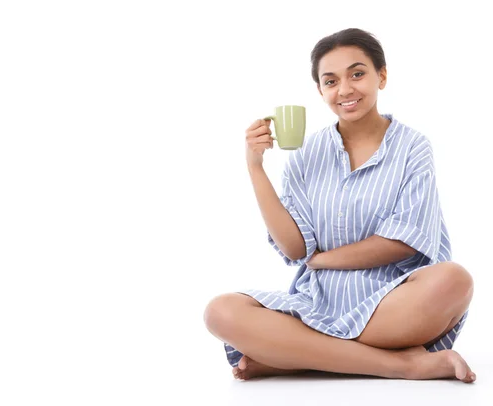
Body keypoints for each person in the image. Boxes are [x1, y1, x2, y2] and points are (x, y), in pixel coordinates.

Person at [203, 28, 476, 383]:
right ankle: (400, 365)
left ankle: (296, 354)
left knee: (454, 280)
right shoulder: (306, 155)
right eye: (330, 81)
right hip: (317, 304)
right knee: (220, 312)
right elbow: (294, 247)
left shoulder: (413, 147)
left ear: (382, 75)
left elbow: (402, 242)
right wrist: (255, 167)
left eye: (357, 74)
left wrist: (322, 260)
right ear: (320, 91)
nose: (345, 90)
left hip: (393, 305)